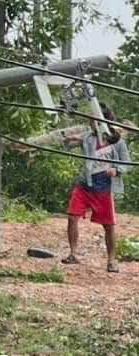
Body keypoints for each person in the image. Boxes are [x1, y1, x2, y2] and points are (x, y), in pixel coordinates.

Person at [62, 103, 131, 273]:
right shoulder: (88, 137)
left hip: (104, 188)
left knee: (108, 225)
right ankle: (73, 254)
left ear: (105, 122)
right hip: (85, 185)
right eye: (90, 120)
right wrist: (67, 138)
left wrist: (116, 170)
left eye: (95, 120)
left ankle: (111, 261)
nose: (91, 123)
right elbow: (71, 142)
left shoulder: (117, 141)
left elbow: (128, 164)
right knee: (72, 217)